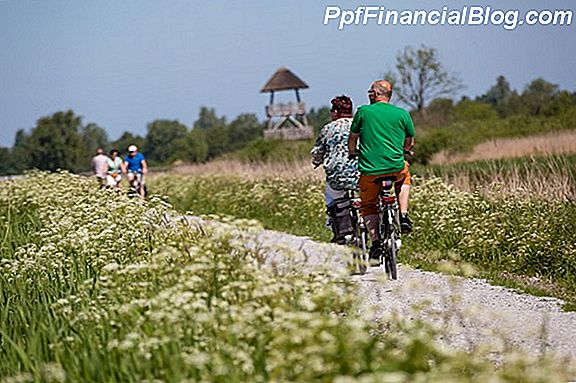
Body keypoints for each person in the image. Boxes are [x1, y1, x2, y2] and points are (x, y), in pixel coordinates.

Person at [348, 80, 415, 259]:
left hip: (370, 171)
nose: (369, 94)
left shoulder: (363, 112)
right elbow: (409, 141)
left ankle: (376, 242)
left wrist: (352, 152)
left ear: (376, 94)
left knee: (368, 205)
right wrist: (405, 150)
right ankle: (403, 215)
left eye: (370, 91)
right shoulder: (402, 114)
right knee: (405, 177)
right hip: (395, 168)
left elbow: (353, 138)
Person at [311, 95, 359, 243]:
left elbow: (318, 151)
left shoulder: (328, 129)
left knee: (332, 197)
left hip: (336, 175)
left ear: (336, 112)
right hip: (360, 172)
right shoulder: (360, 125)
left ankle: (336, 226)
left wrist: (317, 161)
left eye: (332, 110)